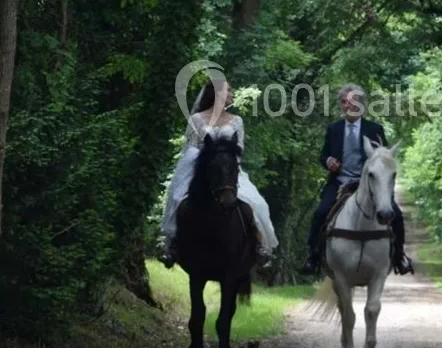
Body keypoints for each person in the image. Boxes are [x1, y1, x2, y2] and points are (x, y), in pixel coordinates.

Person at [162, 78, 278, 264]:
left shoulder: (237, 121)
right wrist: (207, 161)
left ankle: (259, 245)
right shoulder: (196, 120)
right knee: (177, 198)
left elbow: (239, 149)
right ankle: (171, 246)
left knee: (257, 203)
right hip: (200, 169)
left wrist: (226, 163)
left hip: (228, 171)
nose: (231, 94)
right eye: (228, 90)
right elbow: (190, 148)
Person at [302, 85, 413, 276]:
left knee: (395, 213)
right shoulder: (334, 129)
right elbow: (324, 155)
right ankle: (313, 256)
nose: (348, 106)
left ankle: (399, 256)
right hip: (340, 182)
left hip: (369, 185)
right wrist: (328, 161)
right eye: (344, 102)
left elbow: (384, 159)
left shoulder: (374, 129)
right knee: (321, 212)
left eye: (352, 101)